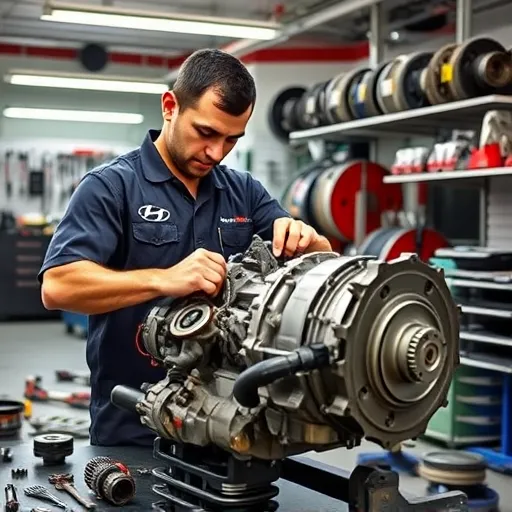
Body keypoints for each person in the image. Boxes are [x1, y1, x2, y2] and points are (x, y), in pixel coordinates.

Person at [38, 48, 332, 447]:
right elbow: (58, 287)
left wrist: (312, 243)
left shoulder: (243, 191)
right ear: (170, 107)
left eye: (232, 139)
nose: (216, 152)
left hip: (231, 422)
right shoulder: (111, 187)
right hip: (134, 422)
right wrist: (165, 279)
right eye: (206, 132)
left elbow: (317, 262)